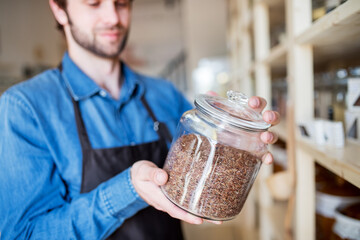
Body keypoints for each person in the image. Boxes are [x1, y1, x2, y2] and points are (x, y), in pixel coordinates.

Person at [0, 0, 280, 239]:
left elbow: (207, 161)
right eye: (93, 3)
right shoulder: (25, 108)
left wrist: (238, 136)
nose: (113, 17)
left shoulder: (164, 94)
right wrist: (128, 189)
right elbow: (23, 233)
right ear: (59, 10)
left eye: (121, 2)